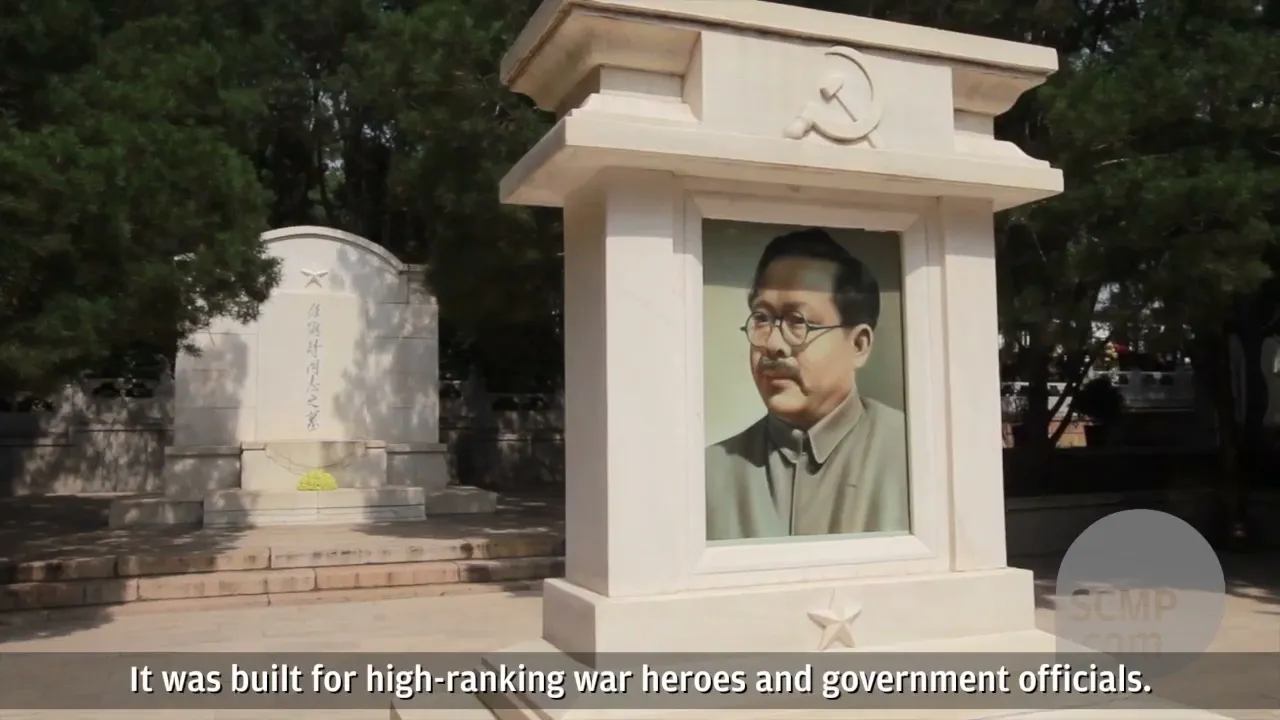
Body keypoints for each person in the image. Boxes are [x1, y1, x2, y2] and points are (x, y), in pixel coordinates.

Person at [706, 228, 909, 541]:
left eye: (797, 322)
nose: (773, 344)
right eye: (762, 319)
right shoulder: (708, 474)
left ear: (858, 345)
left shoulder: (913, 454)